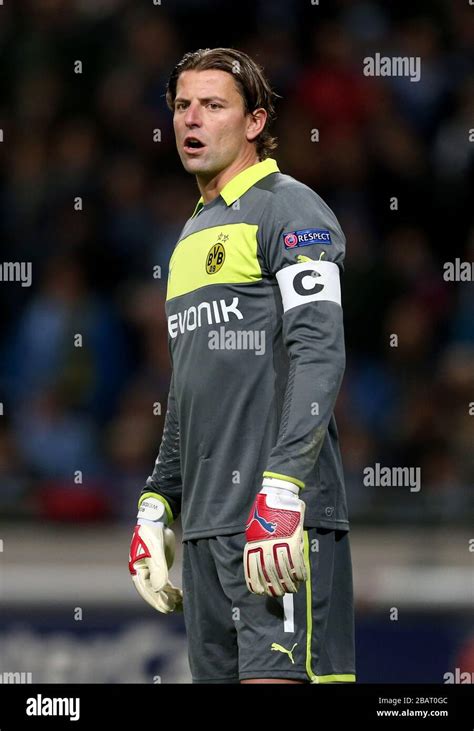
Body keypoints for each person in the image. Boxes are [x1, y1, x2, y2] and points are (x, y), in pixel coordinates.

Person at [128, 47, 356, 684]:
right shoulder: (187, 239)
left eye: (212, 105)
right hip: (206, 532)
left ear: (255, 122)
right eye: (181, 106)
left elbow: (320, 351)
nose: (191, 119)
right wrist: (158, 501)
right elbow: (189, 387)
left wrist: (283, 491)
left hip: (275, 526)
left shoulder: (293, 211)